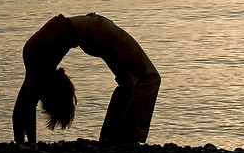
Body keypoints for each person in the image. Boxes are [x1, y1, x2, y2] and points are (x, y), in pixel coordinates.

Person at [12, 13, 161, 144]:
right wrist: (29, 144)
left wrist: (26, 143)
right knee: (149, 78)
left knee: (129, 82)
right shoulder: (44, 55)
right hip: (98, 32)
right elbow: (27, 104)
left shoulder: (38, 54)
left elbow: (25, 104)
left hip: (96, 33)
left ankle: (113, 137)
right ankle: (126, 138)